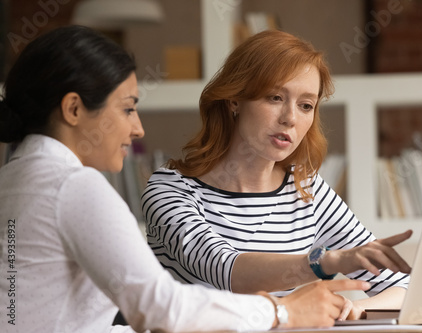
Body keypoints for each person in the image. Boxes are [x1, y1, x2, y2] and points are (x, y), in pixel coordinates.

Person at [0, 25, 371, 332]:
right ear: (74, 109)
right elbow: (158, 306)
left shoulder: (13, 179)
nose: (138, 128)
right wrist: (285, 312)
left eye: (306, 105)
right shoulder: (74, 187)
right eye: (128, 108)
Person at [142, 29, 413, 321]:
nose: (290, 118)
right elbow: (226, 270)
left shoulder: (306, 189)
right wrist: (326, 263)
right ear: (235, 99)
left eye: (306, 105)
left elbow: (403, 286)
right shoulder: (170, 190)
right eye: (274, 97)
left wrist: (354, 309)